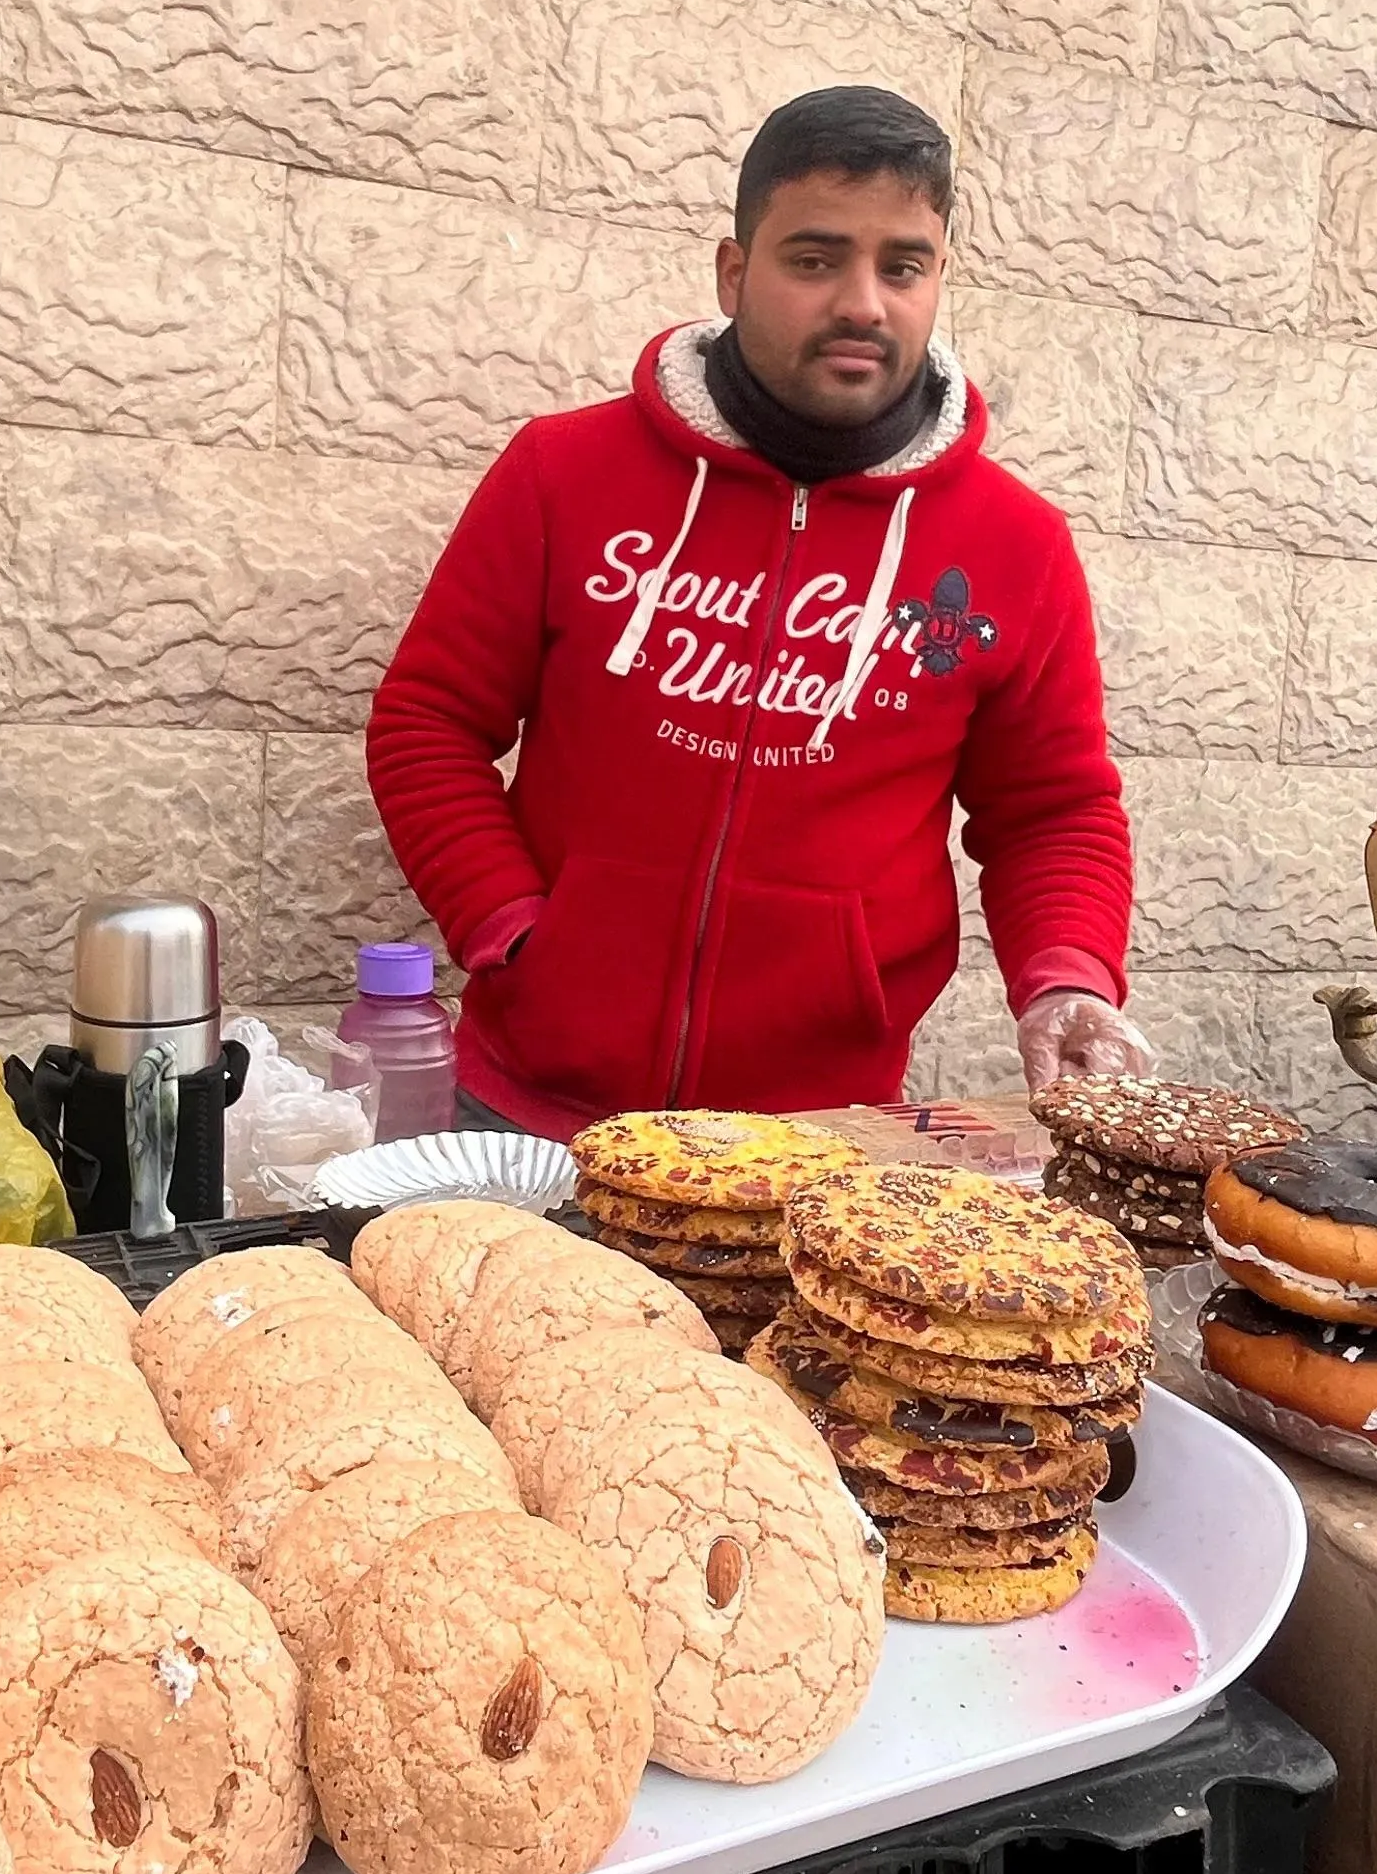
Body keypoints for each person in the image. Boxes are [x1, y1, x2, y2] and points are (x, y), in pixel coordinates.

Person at [366, 86, 1156, 1138]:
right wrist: (512, 927)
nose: (864, 302)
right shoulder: (564, 473)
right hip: (525, 1111)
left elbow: (1053, 812)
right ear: (736, 272)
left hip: (822, 1137)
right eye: (815, 259)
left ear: (937, 279)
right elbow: (428, 724)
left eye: (903, 265)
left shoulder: (1017, 545)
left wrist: (1067, 977)